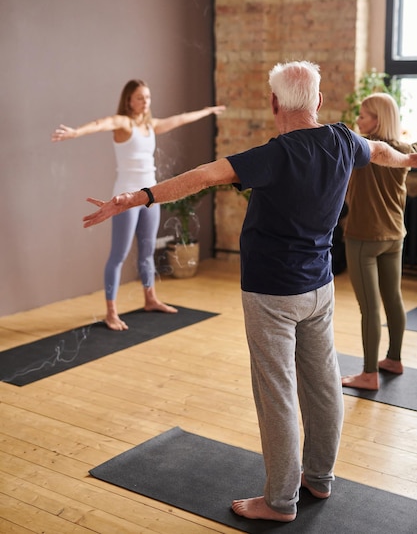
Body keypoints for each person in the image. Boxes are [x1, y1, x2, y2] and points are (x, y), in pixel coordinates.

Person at [82, 62, 417, 522]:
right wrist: (409, 159)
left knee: (277, 392)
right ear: (317, 102)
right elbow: (380, 150)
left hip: (271, 292)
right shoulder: (343, 139)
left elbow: (201, 176)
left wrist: (135, 197)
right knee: (322, 385)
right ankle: (318, 478)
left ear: (275, 103)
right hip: (318, 289)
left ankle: (280, 502)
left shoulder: (273, 156)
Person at [52, 79, 225, 330]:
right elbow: (102, 123)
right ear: (129, 101)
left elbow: (181, 118)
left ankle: (150, 298)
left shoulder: (150, 126)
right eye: (140, 98)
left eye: (148, 97)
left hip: (149, 196)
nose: (146, 102)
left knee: (146, 252)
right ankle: (111, 312)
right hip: (124, 198)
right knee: (119, 255)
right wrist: (75, 132)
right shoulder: (124, 124)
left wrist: (208, 111)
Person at [341, 93, 415, 390]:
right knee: (393, 299)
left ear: (378, 120)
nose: (357, 120)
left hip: (364, 237)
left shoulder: (364, 150)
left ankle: (369, 374)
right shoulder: (405, 148)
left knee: (369, 307)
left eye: (363, 115)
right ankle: (394, 359)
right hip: (394, 236)